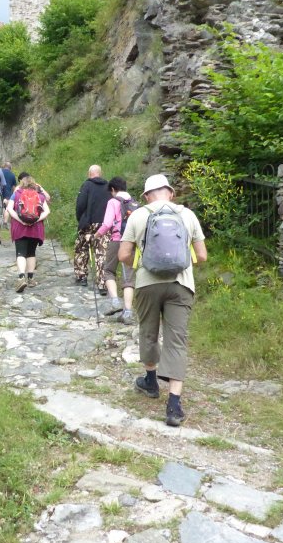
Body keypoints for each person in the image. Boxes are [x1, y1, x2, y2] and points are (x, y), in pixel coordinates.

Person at [118, 174, 207, 427]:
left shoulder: (137, 215)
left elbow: (124, 254)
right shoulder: (187, 215)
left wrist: (143, 261)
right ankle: (174, 405)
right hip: (181, 285)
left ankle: (150, 381)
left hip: (147, 284)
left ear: (146, 196)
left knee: (148, 332)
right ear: (171, 192)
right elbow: (202, 256)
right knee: (176, 339)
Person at [95, 177, 136, 324]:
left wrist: (96, 235)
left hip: (117, 239)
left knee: (108, 270)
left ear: (113, 189)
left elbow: (107, 224)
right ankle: (128, 312)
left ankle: (115, 302)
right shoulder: (134, 202)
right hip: (131, 242)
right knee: (129, 278)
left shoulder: (113, 202)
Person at [7, 176, 51, 293]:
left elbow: (9, 209)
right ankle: (31, 279)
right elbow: (47, 211)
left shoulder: (16, 194)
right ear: (34, 184)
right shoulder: (40, 196)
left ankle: (21, 277)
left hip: (20, 228)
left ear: (22, 184)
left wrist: (21, 220)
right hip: (35, 229)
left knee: (20, 253)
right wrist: (36, 220)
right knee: (31, 253)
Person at [74, 165, 110, 293]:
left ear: (89, 174)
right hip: (104, 224)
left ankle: (81, 276)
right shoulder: (109, 186)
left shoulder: (86, 185)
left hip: (88, 223)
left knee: (81, 248)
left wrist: (80, 219)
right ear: (100, 173)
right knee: (101, 253)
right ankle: (102, 284)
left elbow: (80, 204)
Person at [1, 162, 18, 230]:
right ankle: (5, 222)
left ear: (3, 166)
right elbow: (14, 187)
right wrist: (14, 194)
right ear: (10, 167)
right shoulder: (12, 175)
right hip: (8, 193)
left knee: (1, 207)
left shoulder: (0, 172)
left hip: (0, 192)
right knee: (7, 208)